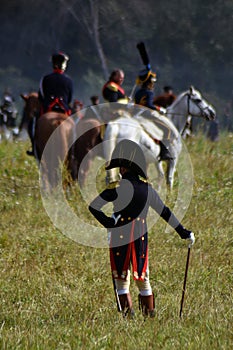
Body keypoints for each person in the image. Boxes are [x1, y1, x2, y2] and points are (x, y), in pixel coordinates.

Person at [89, 139, 195, 318]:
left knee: (121, 280)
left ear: (123, 168)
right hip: (139, 236)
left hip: (118, 236)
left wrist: (109, 223)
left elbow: (93, 206)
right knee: (143, 279)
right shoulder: (148, 190)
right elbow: (165, 213)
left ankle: (127, 318)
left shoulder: (116, 188)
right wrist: (183, 232)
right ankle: (149, 317)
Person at [27, 51, 73, 156]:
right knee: (75, 128)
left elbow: (41, 95)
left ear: (53, 64)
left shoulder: (45, 78)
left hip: (47, 108)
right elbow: (69, 98)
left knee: (32, 124)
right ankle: (73, 152)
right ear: (64, 65)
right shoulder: (69, 81)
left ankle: (34, 147)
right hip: (64, 110)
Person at [134, 69, 173, 161]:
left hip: (136, 116)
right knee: (166, 129)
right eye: (152, 82)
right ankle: (164, 152)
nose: (153, 84)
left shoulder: (138, 92)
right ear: (149, 83)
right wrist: (159, 109)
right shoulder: (149, 93)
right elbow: (149, 105)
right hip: (147, 117)